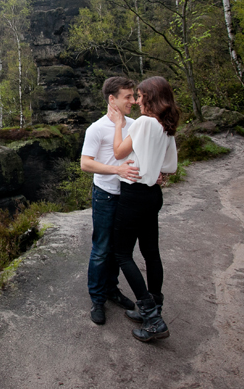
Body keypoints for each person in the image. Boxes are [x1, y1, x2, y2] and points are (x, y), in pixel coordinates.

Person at [107, 76, 179, 342]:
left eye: (139, 95)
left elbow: (118, 153)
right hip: (153, 196)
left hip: (134, 195)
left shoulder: (144, 123)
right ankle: (155, 307)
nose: (136, 101)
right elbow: (170, 167)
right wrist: (155, 172)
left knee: (122, 253)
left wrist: (118, 125)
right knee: (151, 253)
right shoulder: (165, 125)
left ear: (150, 97)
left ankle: (152, 317)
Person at [79, 76, 140, 324]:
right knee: (102, 249)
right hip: (105, 195)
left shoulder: (136, 125)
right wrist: (117, 170)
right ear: (112, 99)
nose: (134, 101)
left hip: (128, 196)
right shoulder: (96, 128)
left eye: (134, 96)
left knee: (119, 249)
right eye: (128, 96)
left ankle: (112, 289)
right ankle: (97, 298)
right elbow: (85, 163)